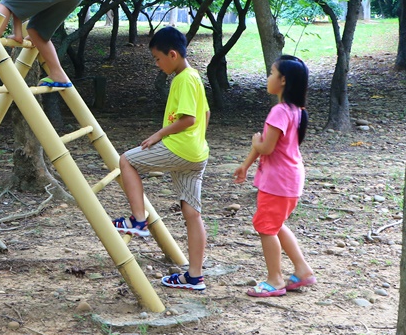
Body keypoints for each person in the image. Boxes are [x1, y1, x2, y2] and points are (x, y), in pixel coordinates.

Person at [111, 26, 211, 291]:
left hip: (180, 148)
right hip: (197, 154)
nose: (157, 64)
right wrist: (198, 139)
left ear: (173, 55)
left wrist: (158, 135)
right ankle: (194, 277)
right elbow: (206, 115)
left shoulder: (183, 79)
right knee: (192, 213)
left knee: (127, 161)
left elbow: (188, 119)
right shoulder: (195, 77)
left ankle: (137, 219)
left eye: (158, 59)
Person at [233, 55, 316, 297]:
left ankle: (275, 279)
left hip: (278, 181)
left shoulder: (279, 111)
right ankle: (302, 271)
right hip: (289, 179)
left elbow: (266, 147)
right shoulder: (297, 111)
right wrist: (246, 164)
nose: (268, 77)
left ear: (283, 81)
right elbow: (269, 146)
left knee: (266, 227)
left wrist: (255, 143)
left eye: (271, 73)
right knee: (275, 225)